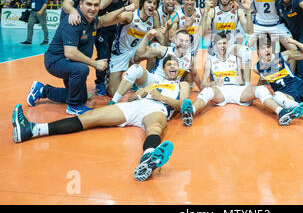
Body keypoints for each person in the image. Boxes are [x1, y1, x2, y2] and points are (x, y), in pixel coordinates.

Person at [13, 56, 189, 182]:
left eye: (175, 65)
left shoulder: (182, 84)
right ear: (164, 68)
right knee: (89, 117)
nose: (173, 67)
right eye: (169, 65)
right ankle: (32, 129)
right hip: (135, 106)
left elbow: (182, 104)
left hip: (157, 108)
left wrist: (161, 98)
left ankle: (147, 158)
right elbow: (133, 97)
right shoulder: (154, 82)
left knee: (155, 128)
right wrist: (138, 94)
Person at [26, 0, 136, 115]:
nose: (92, 8)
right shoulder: (74, 21)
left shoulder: (92, 20)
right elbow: (70, 52)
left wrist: (124, 9)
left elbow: (105, 20)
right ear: (81, 4)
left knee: (82, 97)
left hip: (70, 62)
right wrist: (95, 63)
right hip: (56, 61)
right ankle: (74, 106)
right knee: (81, 70)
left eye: (96, 5)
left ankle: (42, 90)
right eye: (89, 4)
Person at [180, 32, 303, 128]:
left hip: (238, 90)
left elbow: (244, 79)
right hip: (221, 91)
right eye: (219, 44)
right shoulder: (210, 60)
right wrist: (214, 83)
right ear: (214, 46)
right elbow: (204, 84)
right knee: (208, 92)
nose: (222, 46)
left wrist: (244, 82)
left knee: (260, 89)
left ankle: (281, 112)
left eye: (224, 44)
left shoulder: (236, 58)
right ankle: (190, 111)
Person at [110, 29, 194, 104]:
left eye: (186, 41)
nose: (183, 44)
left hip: (170, 87)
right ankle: (114, 101)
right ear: (175, 40)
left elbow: (195, 76)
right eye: (181, 40)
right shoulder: (163, 50)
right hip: (152, 82)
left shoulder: (190, 59)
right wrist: (147, 37)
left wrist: (204, 89)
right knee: (135, 69)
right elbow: (140, 53)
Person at [106, 0, 161, 97]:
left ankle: (147, 81)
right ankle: (109, 77)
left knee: (155, 50)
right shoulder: (131, 16)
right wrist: (115, 15)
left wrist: (156, 16)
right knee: (113, 92)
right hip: (120, 53)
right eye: (149, 2)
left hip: (136, 52)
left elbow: (159, 35)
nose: (152, 5)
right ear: (143, 3)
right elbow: (113, 19)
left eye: (154, 4)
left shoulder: (152, 18)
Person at [94, 0, 131, 96]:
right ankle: (99, 82)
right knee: (103, 56)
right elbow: (102, 5)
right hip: (103, 28)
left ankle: (110, 79)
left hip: (118, 29)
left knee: (115, 56)